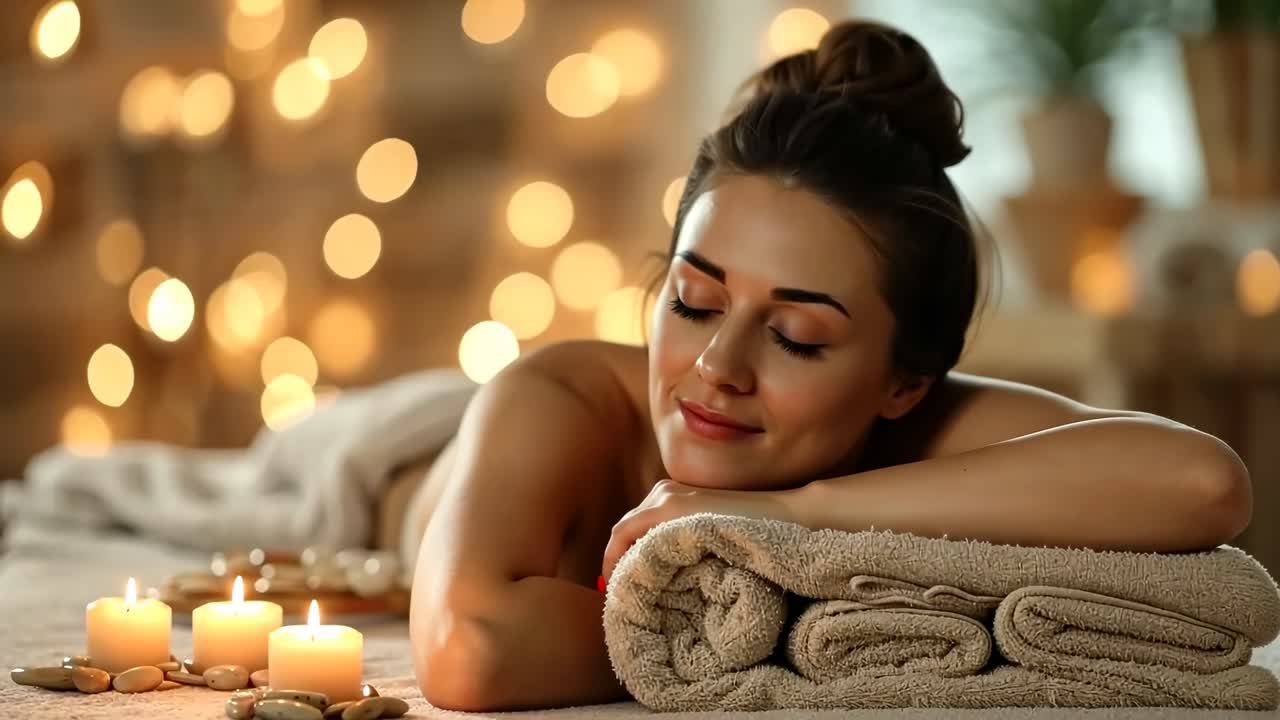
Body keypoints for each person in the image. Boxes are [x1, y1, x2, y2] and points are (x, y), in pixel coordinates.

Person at [400, 19, 1254, 712]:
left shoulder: (918, 427)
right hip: (400, 457)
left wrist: (784, 521)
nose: (718, 365)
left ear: (905, 383)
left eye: (798, 336)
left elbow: (1201, 482)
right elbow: (471, 651)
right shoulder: (558, 397)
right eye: (693, 302)